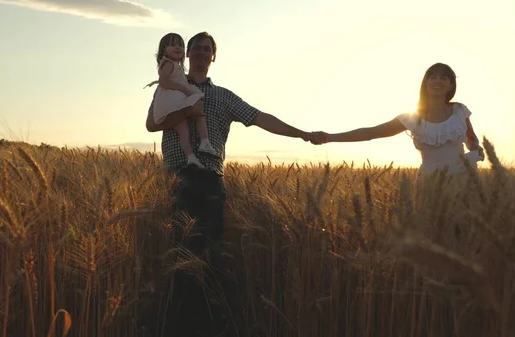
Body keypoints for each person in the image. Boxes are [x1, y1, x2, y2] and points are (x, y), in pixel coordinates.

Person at [145, 31, 313, 337]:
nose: (200, 51)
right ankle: (179, 325)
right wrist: (188, 110)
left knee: (210, 258)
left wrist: (300, 132)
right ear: (186, 53)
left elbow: (260, 117)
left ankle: (203, 325)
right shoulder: (170, 84)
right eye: (195, 46)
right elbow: (151, 123)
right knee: (180, 257)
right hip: (177, 178)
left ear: (213, 56)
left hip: (210, 182)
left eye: (206, 48)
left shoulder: (224, 96)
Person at [310, 63, 485, 177]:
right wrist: (329, 137)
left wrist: (476, 148)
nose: (437, 81)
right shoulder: (412, 118)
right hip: (430, 180)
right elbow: (371, 132)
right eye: (432, 76)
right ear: (425, 83)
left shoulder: (460, 111)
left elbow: (471, 139)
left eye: (443, 77)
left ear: (451, 85)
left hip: (462, 175)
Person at [144, 33, 217, 168]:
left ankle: (191, 156)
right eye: (173, 45)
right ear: (163, 50)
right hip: (173, 100)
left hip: (173, 100)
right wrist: (183, 90)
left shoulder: (174, 67)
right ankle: (204, 142)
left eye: (180, 46)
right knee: (198, 111)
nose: (177, 48)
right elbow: (163, 81)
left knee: (184, 130)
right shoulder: (169, 64)